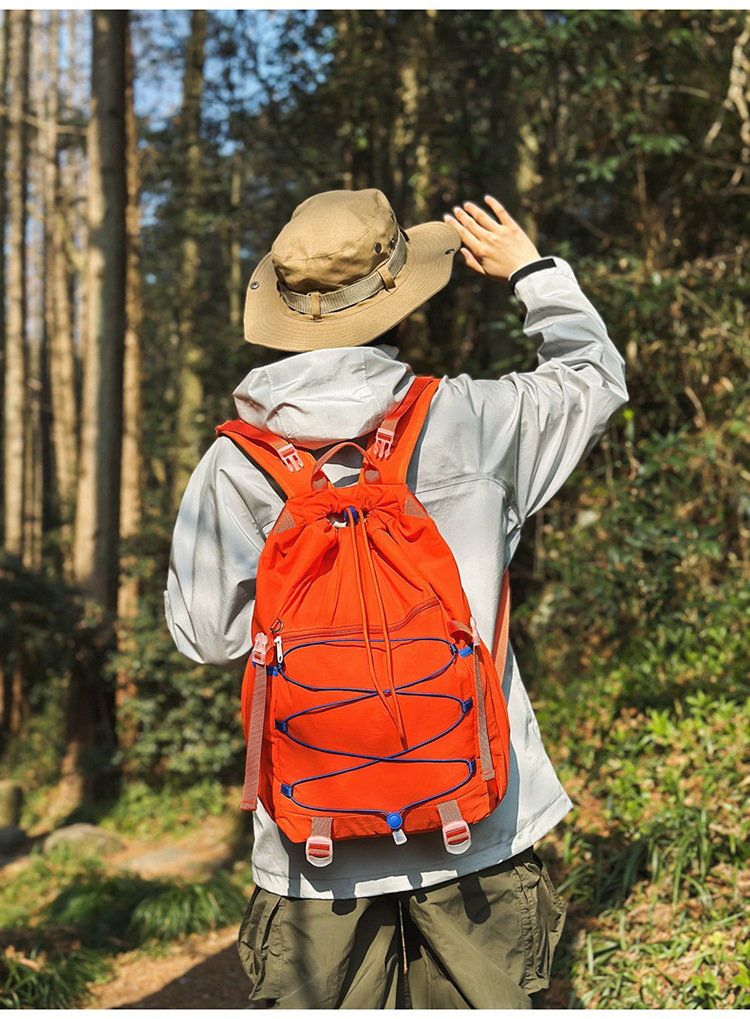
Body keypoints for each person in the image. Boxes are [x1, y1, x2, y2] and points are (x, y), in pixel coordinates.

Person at [165, 188, 628, 1009]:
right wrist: (531, 272)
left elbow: (204, 635)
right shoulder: (478, 419)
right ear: (399, 294)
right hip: (475, 818)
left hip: (313, 842)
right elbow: (594, 378)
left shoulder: (234, 466)